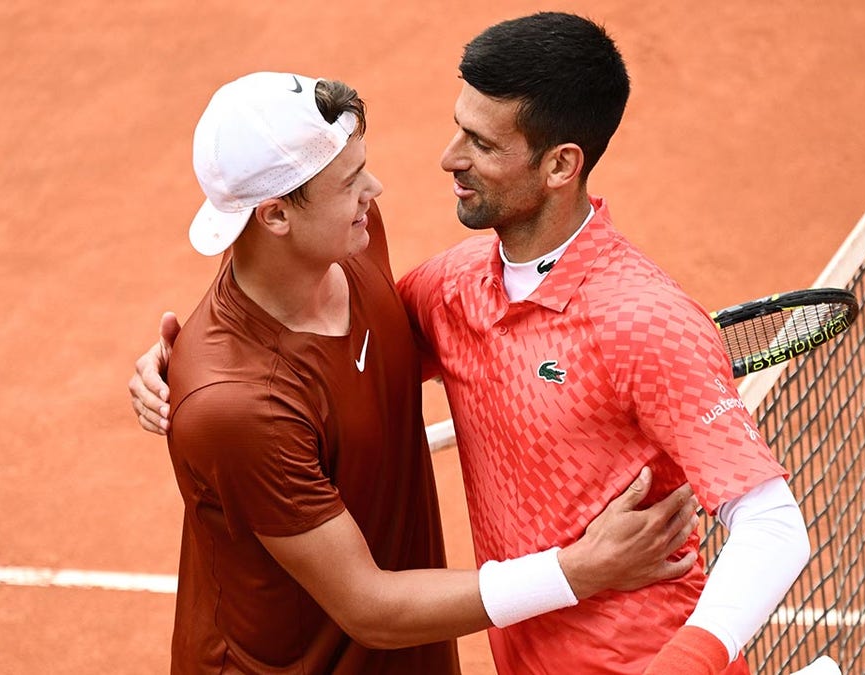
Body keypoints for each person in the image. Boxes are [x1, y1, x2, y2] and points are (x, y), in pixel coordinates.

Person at [132, 14, 812, 674]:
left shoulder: (644, 322)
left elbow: (773, 526)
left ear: (560, 165)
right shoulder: (451, 291)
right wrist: (188, 374)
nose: (446, 159)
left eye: (482, 144)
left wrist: (685, 665)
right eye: (460, 130)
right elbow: (302, 374)